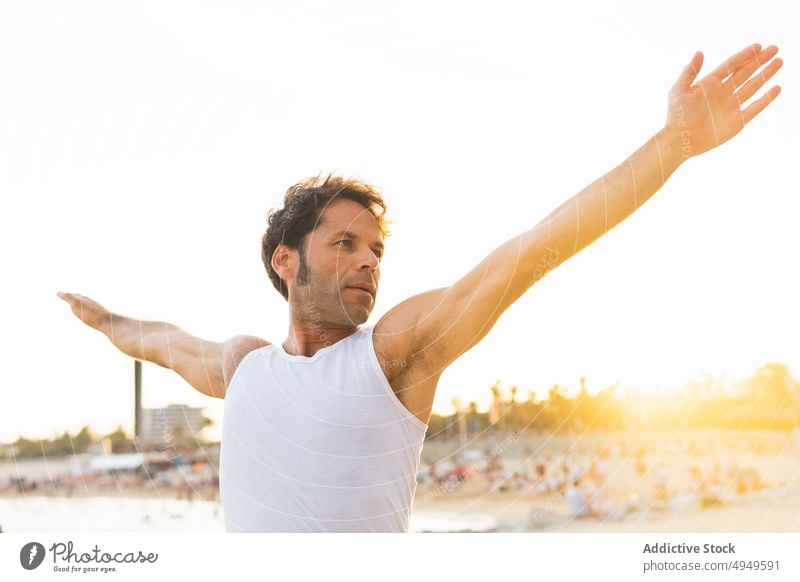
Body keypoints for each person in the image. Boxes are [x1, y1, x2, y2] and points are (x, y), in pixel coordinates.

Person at [58, 43, 782, 532]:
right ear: (286, 261)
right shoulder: (242, 366)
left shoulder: (394, 354)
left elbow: (527, 255)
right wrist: (101, 320)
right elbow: (160, 345)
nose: (369, 261)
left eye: (376, 249)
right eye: (345, 244)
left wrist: (672, 147)